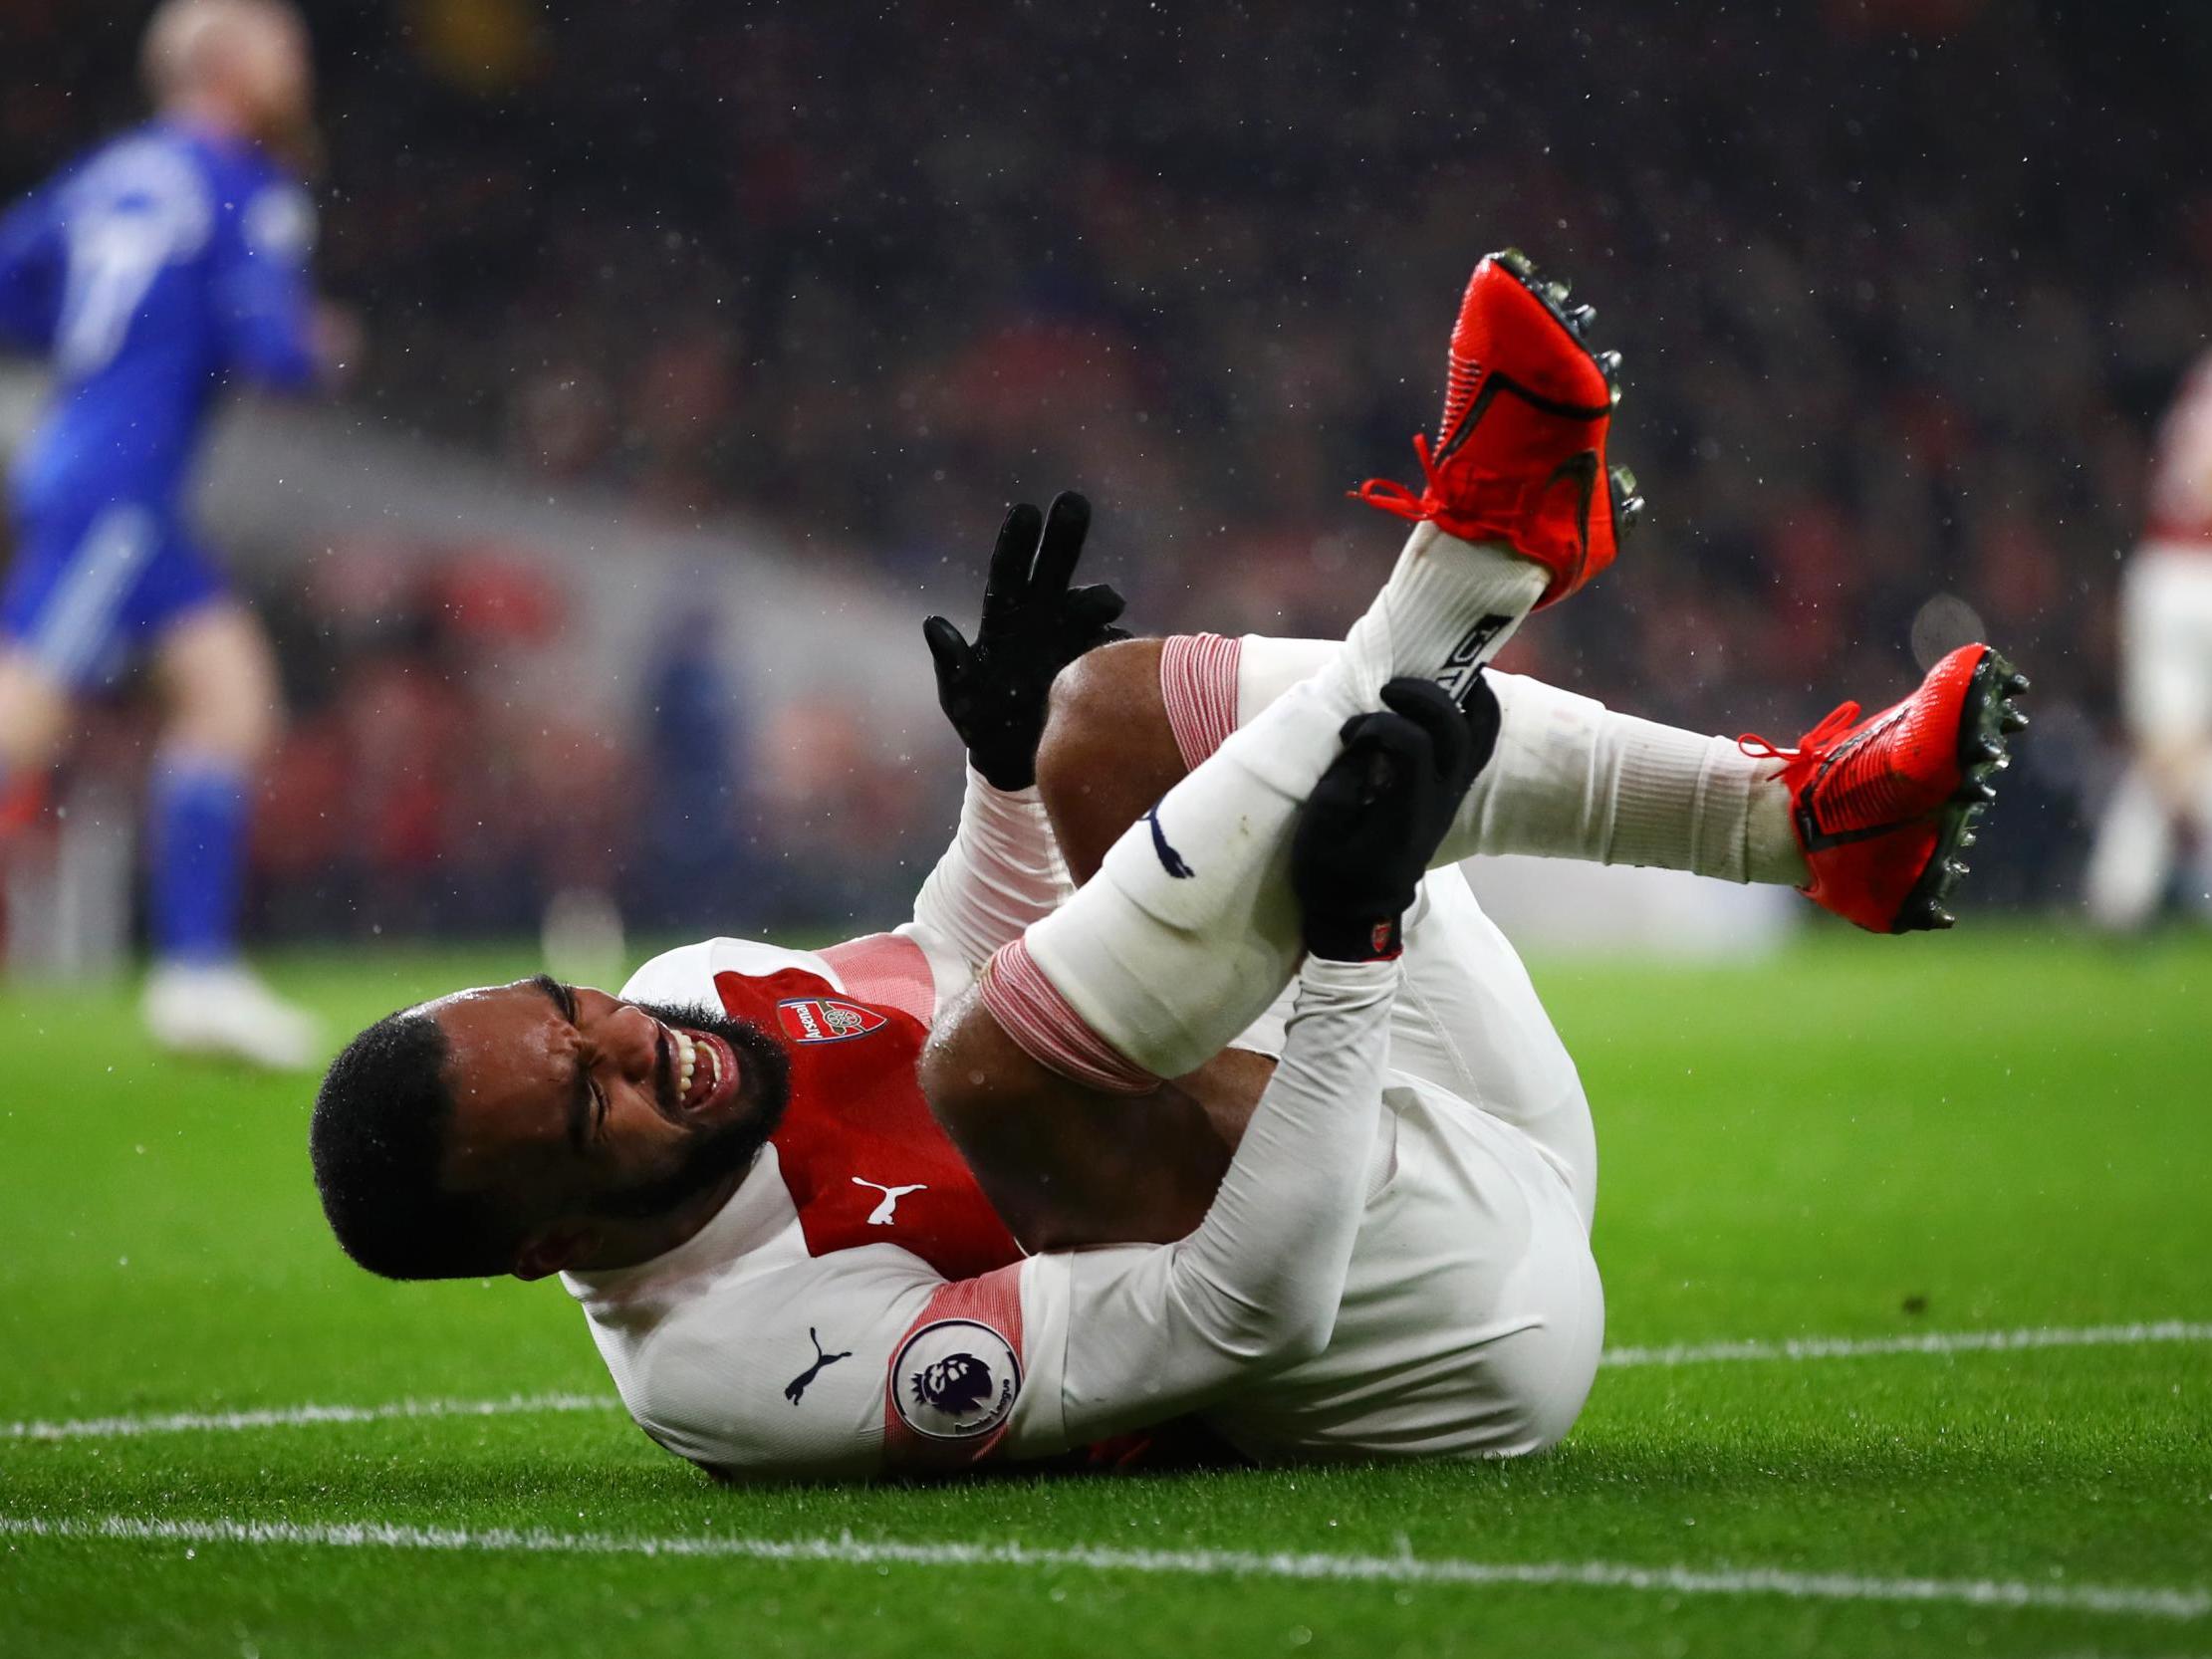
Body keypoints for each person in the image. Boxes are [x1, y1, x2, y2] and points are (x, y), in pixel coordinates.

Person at [308, 254, 2027, 1479]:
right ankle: (1455, 591)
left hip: (1458, 1117)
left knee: (1099, 724)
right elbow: (1240, 1321)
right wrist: (1345, 948)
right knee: (999, 1078)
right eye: (591, 1107)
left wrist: (997, 782)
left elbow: (961, 953)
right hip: (1440, 1335)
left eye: (574, 1012)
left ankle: (1805, 819)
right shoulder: (748, 1364)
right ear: (545, 1246)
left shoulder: (694, 993)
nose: (636, 1043)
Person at [0, 0, 346, 1065]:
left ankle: (195, 976)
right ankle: (195, 975)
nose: (299, 68)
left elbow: (14, 285)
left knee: (230, 699)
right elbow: (271, 348)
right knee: (21, 720)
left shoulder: (117, 172)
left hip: (94, 465)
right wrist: (319, 343)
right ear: (228, 67)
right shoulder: (245, 182)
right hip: (119, 481)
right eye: (282, 50)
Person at [2085, 350, 2212, 928]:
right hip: (2188, 575)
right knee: (2172, 754)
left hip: (2166, 574)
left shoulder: (2195, 390)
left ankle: (2119, 896)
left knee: (2168, 755)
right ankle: (2120, 897)